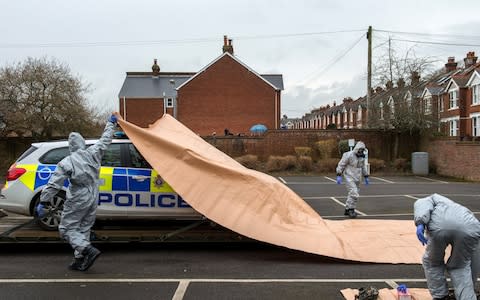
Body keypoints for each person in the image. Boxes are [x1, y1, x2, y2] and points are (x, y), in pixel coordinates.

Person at [36, 112, 119, 271]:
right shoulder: (93, 152)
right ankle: (79, 258)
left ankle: (87, 250)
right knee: (83, 228)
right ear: (82, 143)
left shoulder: (66, 162)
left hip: (78, 196)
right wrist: (111, 124)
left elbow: (54, 184)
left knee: (66, 228)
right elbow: (105, 140)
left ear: (71, 146)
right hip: (93, 195)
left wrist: (44, 201)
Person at [414, 193, 480, 300]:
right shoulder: (455, 207)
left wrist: (420, 223)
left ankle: (440, 296)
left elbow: (421, 203)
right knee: (461, 267)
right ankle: (467, 297)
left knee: (432, 262)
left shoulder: (432, 198)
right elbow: (475, 261)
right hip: (471, 228)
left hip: (440, 226)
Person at [335, 141, 369, 218]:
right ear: (357, 149)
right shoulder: (348, 155)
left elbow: (363, 166)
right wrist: (339, 174)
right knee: (354, 193)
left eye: (362, 150)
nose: (361, 152)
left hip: (358, 177)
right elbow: (341, 164)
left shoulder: (361, 157)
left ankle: (347, 209)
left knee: (353, 194)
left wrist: (366, 175)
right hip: (349, 176)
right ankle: (351, 209)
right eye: (360, 150)